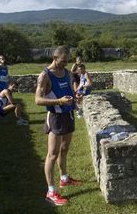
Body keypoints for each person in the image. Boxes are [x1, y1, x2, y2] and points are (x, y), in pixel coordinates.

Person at [35, 46, 82, 206]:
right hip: (55, 117)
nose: (66, 63)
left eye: (67, 61)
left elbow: (70, 91)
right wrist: (59, 101)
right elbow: (38, 100)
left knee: (64, 150)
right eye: (63, 61)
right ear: (55, 58)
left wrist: (76, 97)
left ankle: (64, 179)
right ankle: (50, 192)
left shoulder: (68, 73)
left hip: (68, 115)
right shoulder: (45, 75)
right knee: (52, 155)